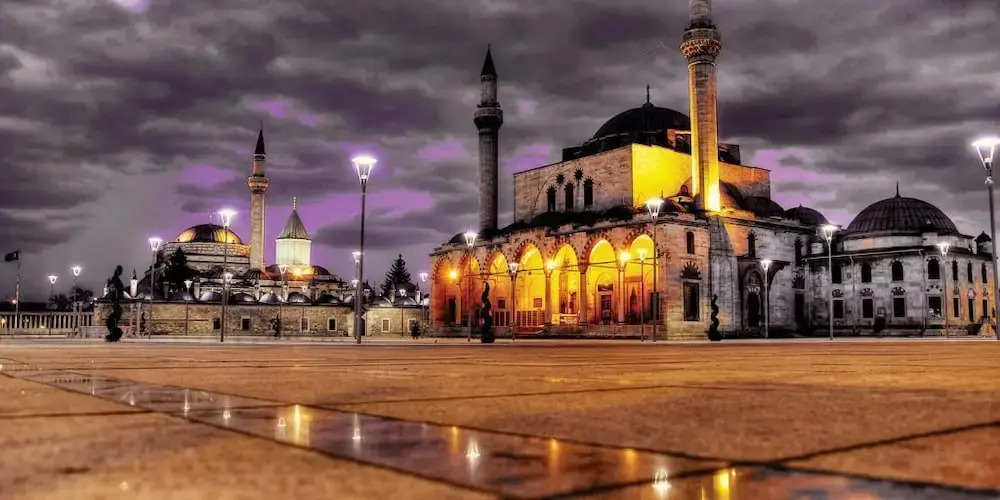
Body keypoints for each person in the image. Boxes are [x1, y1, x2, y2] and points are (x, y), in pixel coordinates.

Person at [104, 266, 125, 342]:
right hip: (116, 302)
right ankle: (114, 335)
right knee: (112, 320)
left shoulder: (116, 282)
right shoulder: (116, 281)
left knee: (111, 320)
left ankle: (114, 335)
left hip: (116, 302)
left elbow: (119, 291)